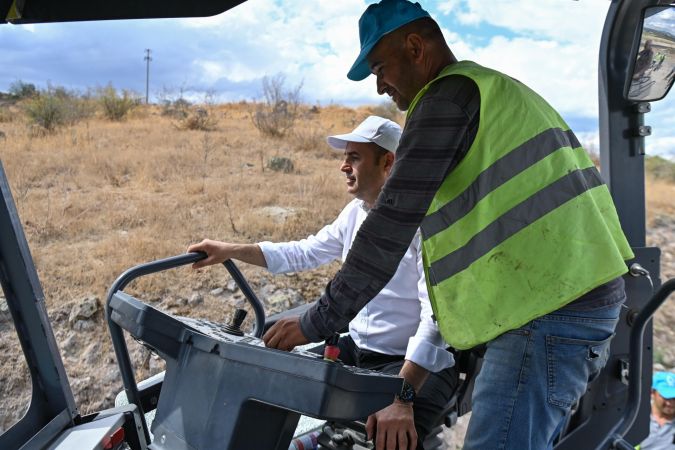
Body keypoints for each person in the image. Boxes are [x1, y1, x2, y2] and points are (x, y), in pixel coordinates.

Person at [263, 1, 634, 449]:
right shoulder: (489, 90)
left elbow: (387, 231)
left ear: (416, 47)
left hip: (549, 313)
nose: (381, 85)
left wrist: (316, 321)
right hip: (561, 301)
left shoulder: (446, 99)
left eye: (381, 67)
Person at [188, 115, 458, 448]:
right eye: (345, 157)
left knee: (385, 439)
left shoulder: (427, 225)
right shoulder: (355, 212)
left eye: (354, 157)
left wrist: (401, 395)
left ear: (388, 162)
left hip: (412, 366)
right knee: (266, 379)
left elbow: (437, 320)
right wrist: (230, 250)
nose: (344, 165)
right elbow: (304, 252)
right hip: (357, 352)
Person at [637, 371, 675, 450]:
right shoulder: (636, 417)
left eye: (674, 398)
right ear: (652, 392)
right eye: (666, 396)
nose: (670, 403)